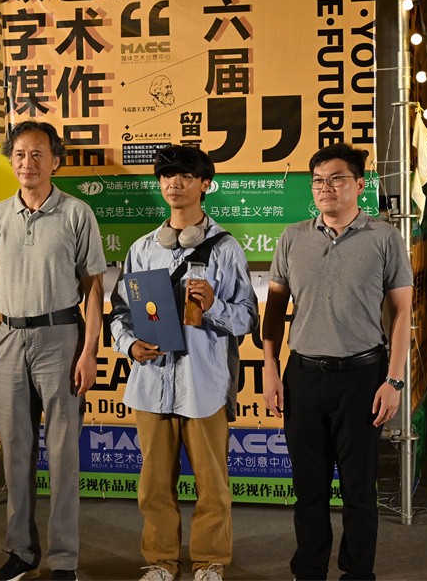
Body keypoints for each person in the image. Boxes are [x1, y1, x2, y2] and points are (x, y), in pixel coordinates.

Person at [261, 143, 413, 580]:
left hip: (362, 376)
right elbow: (274, 310)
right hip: (303, 375)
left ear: (359, 185)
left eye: (337, 179)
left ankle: (357, 573)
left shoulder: (384, 237)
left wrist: (394, 381)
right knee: (308, 490)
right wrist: (270, 368)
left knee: (359, 491)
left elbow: (402, 312)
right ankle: (309, 571)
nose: (325, 188)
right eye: (318, 181)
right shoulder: (293, 237)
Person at [110, 145, 258, 581]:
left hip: (204, 383)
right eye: (166, 176)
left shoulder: (225, 248)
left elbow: (248, 317)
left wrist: (213, 306)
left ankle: (210, 562)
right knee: (154, 485)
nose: (174, 183)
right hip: (151, 382)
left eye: (185, 176)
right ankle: (160, 561)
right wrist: (129, 345)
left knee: (212, 485)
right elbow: (119, 313)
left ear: (204, 184)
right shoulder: (142, 249)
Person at [0, 120, 107, 581]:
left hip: (61, 338)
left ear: (56, 160)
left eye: (37, 154)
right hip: (9, 339)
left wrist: (89, 352)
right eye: (19, 154)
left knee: (63, 454)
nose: (27, 162)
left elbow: (94, 287)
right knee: (15, 452)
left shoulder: (77, 213)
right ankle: (21, 552)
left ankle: (64, 560)